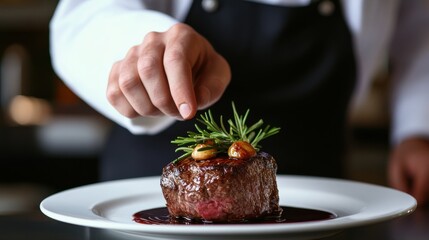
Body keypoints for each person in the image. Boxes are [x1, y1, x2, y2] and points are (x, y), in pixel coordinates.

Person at [49, 0, 429, 205]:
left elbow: (419, 24)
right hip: (145, 195)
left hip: (325, 198)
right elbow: (81, 13)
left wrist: (417, 125)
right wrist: (144, 50)